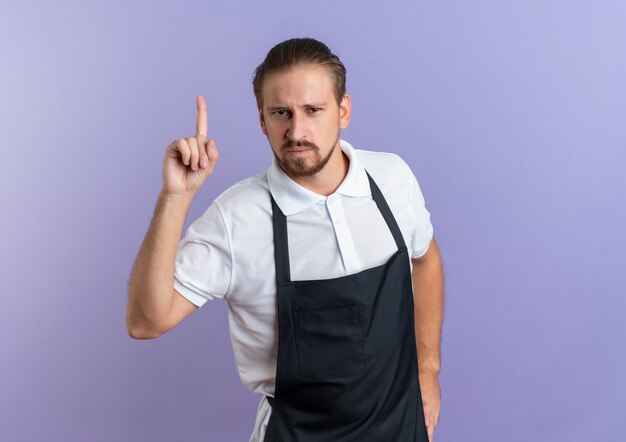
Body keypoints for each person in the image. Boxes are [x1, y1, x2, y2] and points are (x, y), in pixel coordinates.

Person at [127, 37, 444, 442]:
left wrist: (427, 368)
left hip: (403, 431)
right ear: (263, 121)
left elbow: (426, 261)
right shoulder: (237, 217)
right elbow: (145, 321)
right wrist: (175, 198)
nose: (297, 131)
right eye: (281, 113)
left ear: (343, 111)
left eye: (313, 110)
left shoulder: (392, 178)